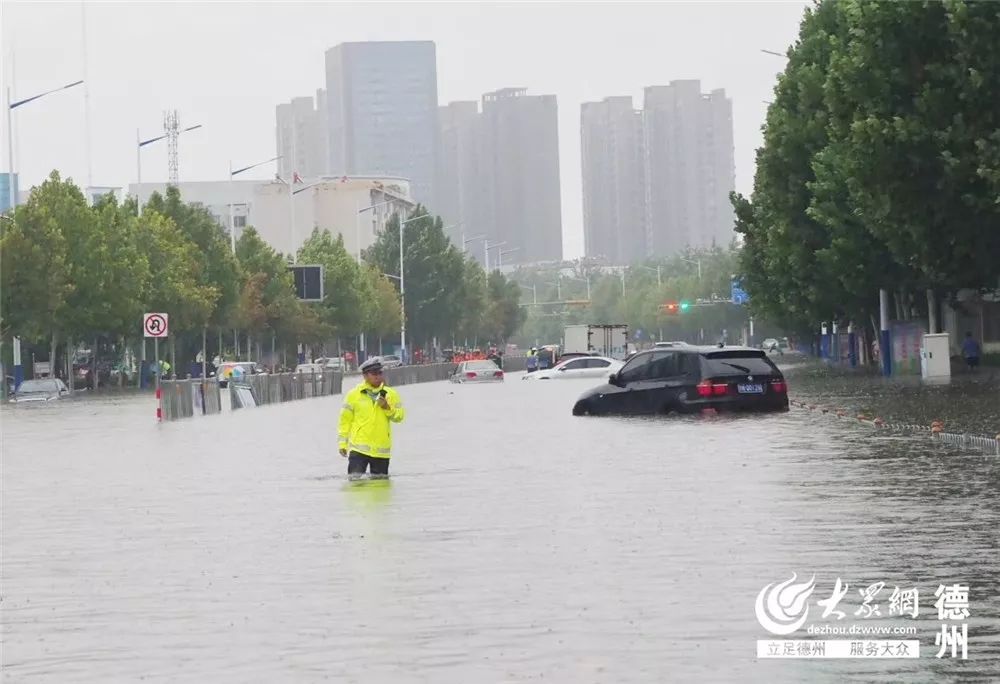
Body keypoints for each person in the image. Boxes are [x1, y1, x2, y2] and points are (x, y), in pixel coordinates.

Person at [338, 357, 405, 478]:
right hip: (358, 449)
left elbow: (399, 417)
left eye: (380, 373)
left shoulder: (391, 394)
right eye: (374, 373)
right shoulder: (353, 395)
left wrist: (387, 408)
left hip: (381, 450)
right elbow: (345, 421)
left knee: (380, 489)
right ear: (365, 375)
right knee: (355, 486)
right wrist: (342, 444)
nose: (377, 376)